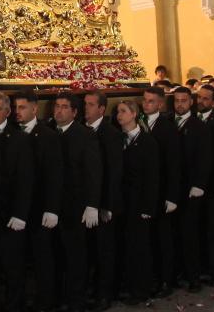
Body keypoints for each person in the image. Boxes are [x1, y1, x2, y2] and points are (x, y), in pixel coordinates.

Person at [51, 92, 101, 312]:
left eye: (64, 107)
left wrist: (92, 204)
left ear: (74, 112)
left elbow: (93, 172)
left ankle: (76, 301)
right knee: (58, 255)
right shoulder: (51, 132)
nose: (59, 111)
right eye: (56, 106)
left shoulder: (84, 135)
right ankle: (61, 297)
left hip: (76, 205)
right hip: (54, 206)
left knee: (76, 257)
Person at [14, 89, 63, 311]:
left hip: (40, 207)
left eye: (22, 107)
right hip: (18, 209)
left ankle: (47, 300)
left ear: (35, 109)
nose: (18, 112)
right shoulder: (13, 133)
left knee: (43, 259)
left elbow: (54, 176)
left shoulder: (48, 135)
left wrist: (52, 209)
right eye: (15, 108)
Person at [0, 91, 31, 310]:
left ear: (7, 112)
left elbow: (25, 179)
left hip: (10, 212)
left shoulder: (19, 138)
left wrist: (20, 213)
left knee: (13, 264)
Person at [115, 98, 158, 304]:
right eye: (117, 112)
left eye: (123, 111)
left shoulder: (146, 141)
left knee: (139, 248)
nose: (119, 115)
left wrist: (148, 206)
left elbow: (152, 176)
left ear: (134, 114)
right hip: (123, 203)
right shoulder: (118, 139)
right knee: (126, 246)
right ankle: (129, 285)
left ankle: (141, 289)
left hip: (139, 203)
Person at [170, 86, 211, 293]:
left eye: (183, 101)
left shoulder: (198, 126)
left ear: (191, 102)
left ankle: (194, 276)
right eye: (176, 100)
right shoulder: (170, 122)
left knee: (190, 234)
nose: (179, 104)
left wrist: (199, 184)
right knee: (175, 233)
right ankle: (178, 273)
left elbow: (205, 158)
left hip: (191, 188)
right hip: (174, 188)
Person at [83, 91, 122, 307]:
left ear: (101, 109)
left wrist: (106, 205)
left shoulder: (111, 134)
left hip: (105, 203)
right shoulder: (83, 130)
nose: (85, 108)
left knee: (105, 250)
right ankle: (94, 288)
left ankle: (106, 293)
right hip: (89, 201)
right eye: (85, 104)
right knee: (92, 250)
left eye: (90, 105)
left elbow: (113, 174)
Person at [141, 85, 180, 297]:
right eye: (145, 100)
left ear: (160, 104)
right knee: (149, 239)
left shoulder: (167, 128)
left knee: (164, 238)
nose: (146, 104)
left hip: (163, 190)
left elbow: (174, 164)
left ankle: (167, 279)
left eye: (150, 101)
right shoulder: (139, 123)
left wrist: (172, 196)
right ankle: (153, 277)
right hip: (147, 192)